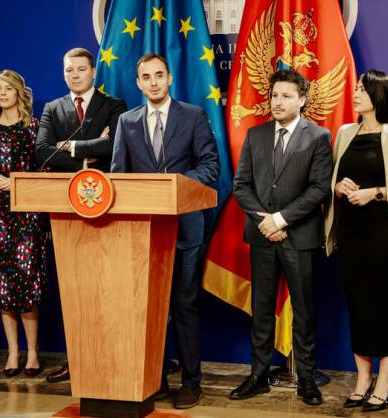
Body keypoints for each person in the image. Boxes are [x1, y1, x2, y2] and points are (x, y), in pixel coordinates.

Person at [111, 53, 219, 409]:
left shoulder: (193, 115)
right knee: (149, 308)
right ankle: (153, 380)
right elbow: (118, 177)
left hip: (186, 229)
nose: (154, 82)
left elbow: (210, 166)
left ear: (169, 78)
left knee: (184, 304)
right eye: (146, 77)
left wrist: (175, 186)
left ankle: (191, 382)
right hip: (143, 233)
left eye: (159, 75)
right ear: (138, 83)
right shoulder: (127, 121)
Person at [323, 70, 388, 412]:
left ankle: (385, 380)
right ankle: (362, 378)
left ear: (379, 95)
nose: (355, 93)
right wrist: (338, 187)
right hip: (351, 234)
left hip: (386, 233)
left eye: (362, 89)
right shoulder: (345, 132)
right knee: (357, 306)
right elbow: (332, 179)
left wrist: (377, 192)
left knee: (384, 306)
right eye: (355, 88)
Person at [230, 69, 332, 406]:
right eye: (274, 95)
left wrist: (280, 219)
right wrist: (265, 221)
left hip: (299, 237)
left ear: (302, 100)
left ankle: (306, 378)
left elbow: (319, 188)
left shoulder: (318, 136)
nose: (278, 102)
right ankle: (258, 376)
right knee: (261, 310)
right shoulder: (255, 135)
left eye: (286, 96)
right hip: (262, 237)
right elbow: (241, 185)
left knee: (304, 310)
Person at [35, 47, 126, 383]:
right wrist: (89, 155)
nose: (74, 75)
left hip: (107, 207)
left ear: (93, 72)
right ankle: (76, 361)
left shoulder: (113, 105)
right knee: (75, 291)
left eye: (81, 69)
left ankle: (110, 358)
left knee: (107, 289)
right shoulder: (52, 108)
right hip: (66, 211)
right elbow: (42, 152)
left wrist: (69, 146)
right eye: (68, 70)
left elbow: (116, 146)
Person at [0, 69, 48, 378]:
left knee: (26, 282)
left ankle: (32, 352)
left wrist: (17, 180)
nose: (3, 94)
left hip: (27, 211)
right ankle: (12, 351)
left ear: (19, 91)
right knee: (2, 284)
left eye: (8, 88)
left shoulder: (35, 127)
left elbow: (45, 168)